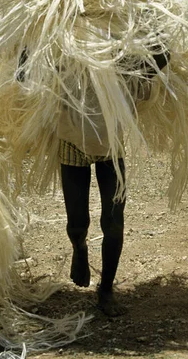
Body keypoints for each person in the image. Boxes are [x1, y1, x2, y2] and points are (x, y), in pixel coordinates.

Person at [56, 47, 170, 317]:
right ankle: (79, 248)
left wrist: (158, 45)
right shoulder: (65, 52)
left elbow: (157, 60)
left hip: (111, 149)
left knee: (114, 222)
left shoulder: (125, 58)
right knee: (76, 223)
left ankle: (106, 289)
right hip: (72, 142)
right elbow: (26, 76)